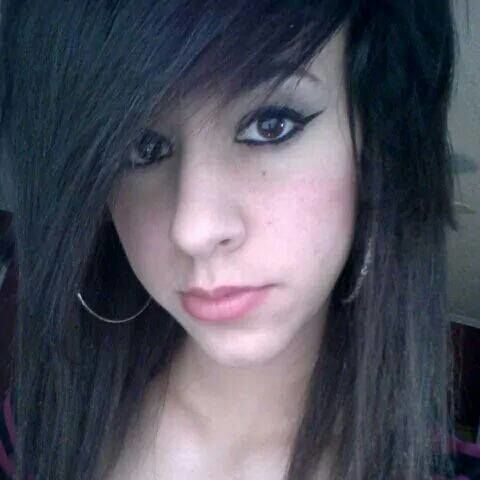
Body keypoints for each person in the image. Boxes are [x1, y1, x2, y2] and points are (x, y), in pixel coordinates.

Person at [0, 0, 479, 478]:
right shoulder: (39, 423)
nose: (193, 229)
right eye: (142, 148)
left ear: (372, 147)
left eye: (271, 125)